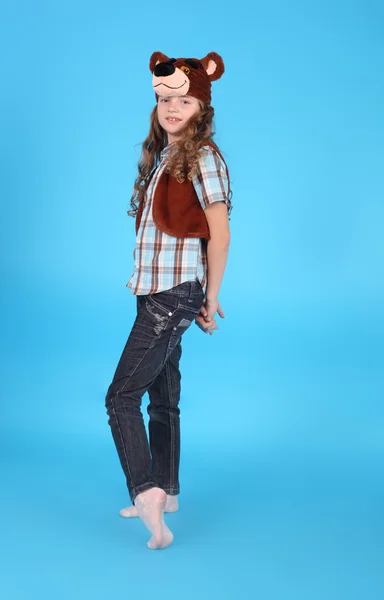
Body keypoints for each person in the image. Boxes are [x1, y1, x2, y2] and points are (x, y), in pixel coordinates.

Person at [104, 51, 233, 550]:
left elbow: (219, 234)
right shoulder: (162, 155)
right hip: (154, 290)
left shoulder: (204, 157)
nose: (172, 108)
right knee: (163, 394)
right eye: (164, 100)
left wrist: (210, 295)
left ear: (202, 105)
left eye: (183, 100)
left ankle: (147, 494)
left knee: (120, 397)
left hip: (175, 293)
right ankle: (171, 489)